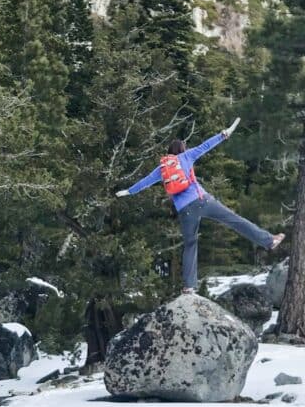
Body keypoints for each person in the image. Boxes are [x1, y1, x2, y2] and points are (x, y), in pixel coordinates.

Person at [116, 125, 284, 293]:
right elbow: (205, 146)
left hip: (184, 210)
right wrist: (222, 135)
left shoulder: (162, 168)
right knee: (235, 221)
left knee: (190, 244)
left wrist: (128, 191)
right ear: (182, 149)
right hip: (203, 200)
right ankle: (269, 240)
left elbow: (144, 182)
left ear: (169, 152)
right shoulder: (187, 156)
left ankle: (189, 286)